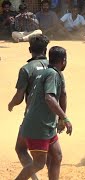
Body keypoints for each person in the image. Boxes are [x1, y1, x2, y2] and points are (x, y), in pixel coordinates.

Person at [15, 46, 72, 180]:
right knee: (39, 163)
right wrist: (65, 118)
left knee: (56, 156)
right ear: (63, 60)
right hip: (38, 126)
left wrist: (59, 120)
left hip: (46, 124)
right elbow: (49, 98)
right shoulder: (52, 74)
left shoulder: (49, 72)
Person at [8, 34, 51, 180]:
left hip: (32, 117)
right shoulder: (54, 67)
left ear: (29, 49)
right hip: (52, 116)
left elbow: (19, 97)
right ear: (46, 50)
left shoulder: (26, 69)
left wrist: (11, 104)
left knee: (21, 149)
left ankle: (33, 178)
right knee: (52, 154)